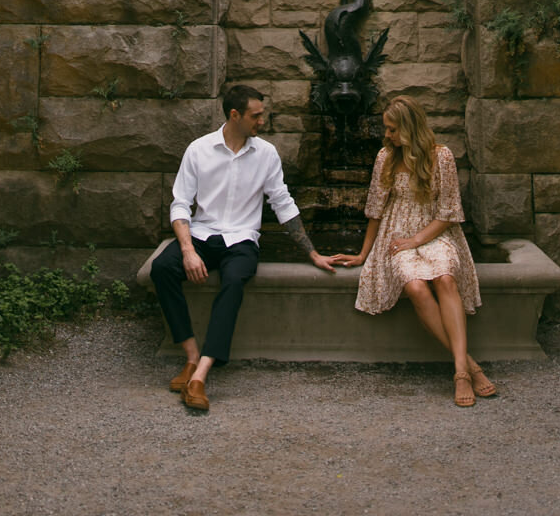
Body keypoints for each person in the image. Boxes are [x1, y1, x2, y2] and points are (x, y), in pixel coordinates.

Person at [150, 82, 339, 412]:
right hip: (202, 235)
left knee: (234, 279)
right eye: (256, 116)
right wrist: (188, 250)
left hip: (242, 241)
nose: (262, 122)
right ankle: (191, 356)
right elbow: (180, 204)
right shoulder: (199, 150)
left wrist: (312, 253)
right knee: (162, 268)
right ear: (235, 115)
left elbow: (283, 203)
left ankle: (201, 376)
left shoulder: (265, 154)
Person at [330, 94, 497, 407]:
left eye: (392, 129)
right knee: (417, 287)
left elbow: (448, 212)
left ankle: (459, 372)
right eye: (387, 129)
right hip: (396, 234)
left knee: (445, 278)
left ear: (409, 128)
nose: (387, 135)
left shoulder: (441, 156)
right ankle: (469, 365)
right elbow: (375, 209)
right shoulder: (386, 157)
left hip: (436, 231)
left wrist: (416, 240)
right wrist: (363, 254)